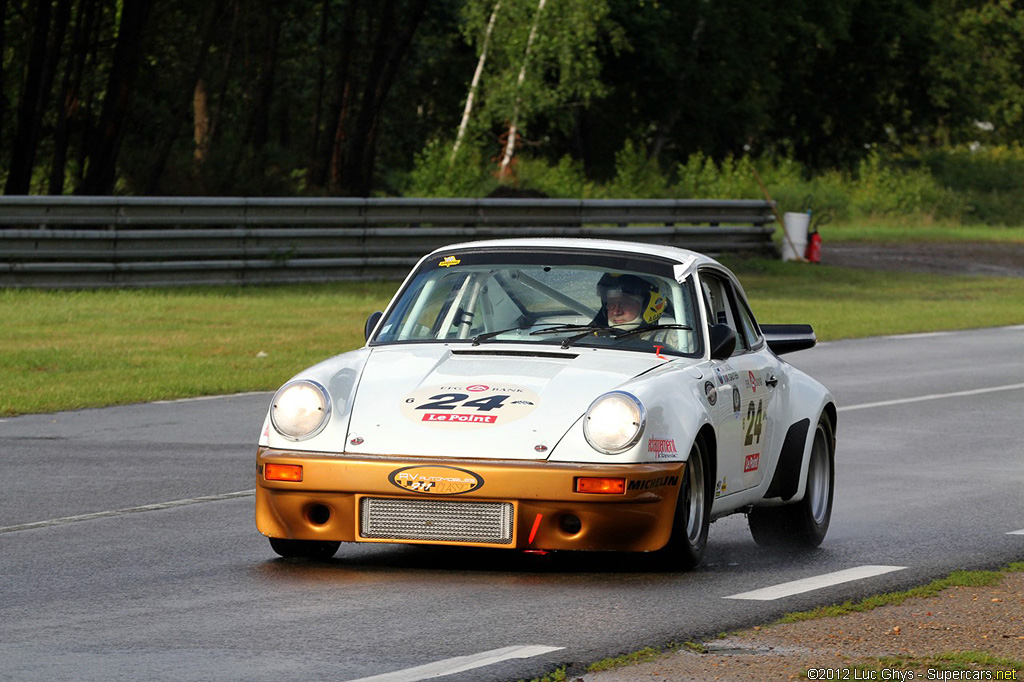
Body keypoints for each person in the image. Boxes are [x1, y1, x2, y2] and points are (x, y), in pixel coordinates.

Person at [594, 273, 667, 330]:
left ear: (647, 305)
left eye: (624, 303)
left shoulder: (671, 342)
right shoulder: (591, 338)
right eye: (611, 303)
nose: (616, 312)